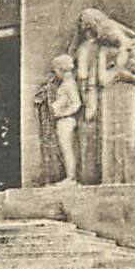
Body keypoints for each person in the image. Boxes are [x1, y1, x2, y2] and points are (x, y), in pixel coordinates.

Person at [35, 53, 83, 184]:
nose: (55, 73)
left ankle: (71, 177)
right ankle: (69, 176)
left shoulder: (69, 84)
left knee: (67, 149)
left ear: (61, 69)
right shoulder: (66, 83)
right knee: (64, 149)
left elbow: (77, 103)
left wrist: (64, 114)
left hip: (66, 121)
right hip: (63, 120)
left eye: (56, 70)